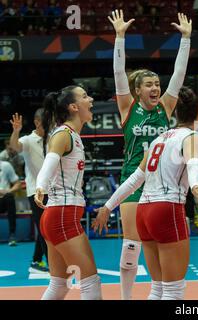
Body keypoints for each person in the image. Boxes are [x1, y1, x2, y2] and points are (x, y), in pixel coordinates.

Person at [93, 87, 198, 300]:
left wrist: (108, 206)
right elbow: (193, 161)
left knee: (158, 288)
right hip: (167, 208)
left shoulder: (159, 139)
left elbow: (135, 179)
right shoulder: (191, 136)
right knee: (173, 290)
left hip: (143, 212)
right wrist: (195, 185)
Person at [110, 9, 192, 300]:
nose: (156, 87)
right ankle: (126, 297)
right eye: (149, 84)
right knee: (131, 247)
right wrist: (120, 37)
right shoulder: (127, 108)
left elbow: (179, 75)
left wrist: (185, 39)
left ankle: (158, 292)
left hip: (161, 184)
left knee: (155, 246)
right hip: (134, 179)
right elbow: (119, 73)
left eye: (157, 83)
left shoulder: (165, 107)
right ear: (137, 90)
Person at [34, 86, 102, 300]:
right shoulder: (64, 134)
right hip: (61, 216)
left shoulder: (71, 135)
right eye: (84, 97)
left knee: (59, 286)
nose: (90, 99)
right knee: (91, 282)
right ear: (73, 107)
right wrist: (40, 186)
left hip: (60, 216)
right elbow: (49, 162)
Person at [9, 110, 49, 273]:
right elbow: (15, 146)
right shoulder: (28, 140)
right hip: (37, 192)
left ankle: (36, 261)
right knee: (45, 230)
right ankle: (53, 266)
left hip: (53, 190)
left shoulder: (53, 139)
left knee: (44, 228)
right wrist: (16, 131)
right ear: (37, 122)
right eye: (48, 120)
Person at [0, 159, 21, 246]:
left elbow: (17, 184)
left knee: (10, 197)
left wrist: (8, 191)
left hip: (4, 199)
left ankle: (12, 235)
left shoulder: (6, 165)